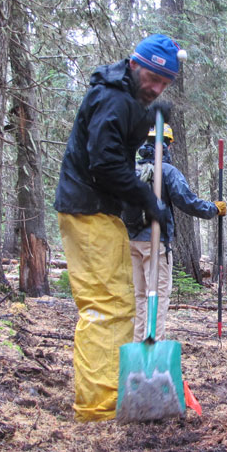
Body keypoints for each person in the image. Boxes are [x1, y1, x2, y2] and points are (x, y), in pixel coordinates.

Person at [53, 34, 181, 422]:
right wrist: (146, 199)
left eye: (164, 82)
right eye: (152, 78)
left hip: (96, 210)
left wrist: (149, 116)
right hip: (88, 209)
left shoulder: (122, 96)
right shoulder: (113, 98)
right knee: (107, 306)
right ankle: (98, 406)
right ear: (134, 64)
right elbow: (105, 163)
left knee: (117, 301)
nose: (156, 87)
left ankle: (105, 395)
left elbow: (115, 143)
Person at [123, 123, 227, 342]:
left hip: (131, 243)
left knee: (139, 297)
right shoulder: (167, 171)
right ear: (167, 145)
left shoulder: (130, 170)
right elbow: (187, 201)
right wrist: (214, 209)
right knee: (158, 298)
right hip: (156, 245)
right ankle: (153, 350)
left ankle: (136, 349)